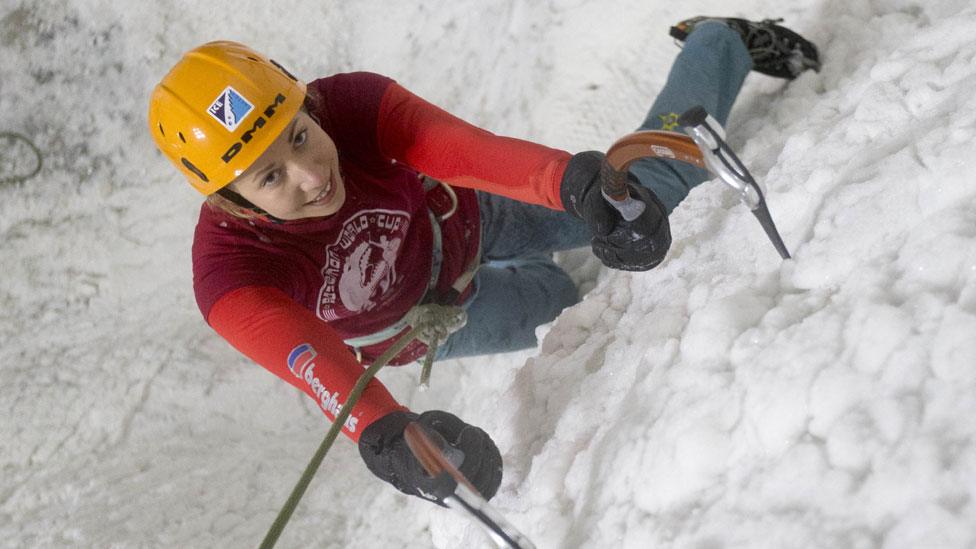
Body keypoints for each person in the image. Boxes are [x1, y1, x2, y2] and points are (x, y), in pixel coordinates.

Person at [147, 16, 819, 506]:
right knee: (559, 311)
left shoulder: (351, 105)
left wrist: (576, 185)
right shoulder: (231, 276)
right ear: (231, 202)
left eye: (300, 134)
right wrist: (386, 432)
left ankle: (719, 45)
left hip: (470, 219)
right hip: (432, 324)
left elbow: (464, 149)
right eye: (269, 178)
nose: (310, 173)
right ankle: (573, 272)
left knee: (651, 193)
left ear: (306, 101)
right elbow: (320, 366)